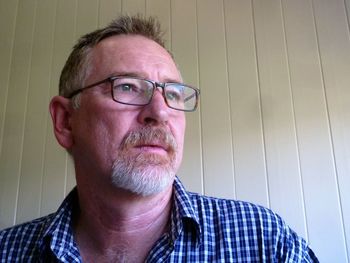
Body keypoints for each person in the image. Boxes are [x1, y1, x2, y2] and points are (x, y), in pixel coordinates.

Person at [0, 15, 318, 262]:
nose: (160, 112)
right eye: (126, 86)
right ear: (66, 121)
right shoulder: (7, 252)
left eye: (174, 94)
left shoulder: (265, 242)